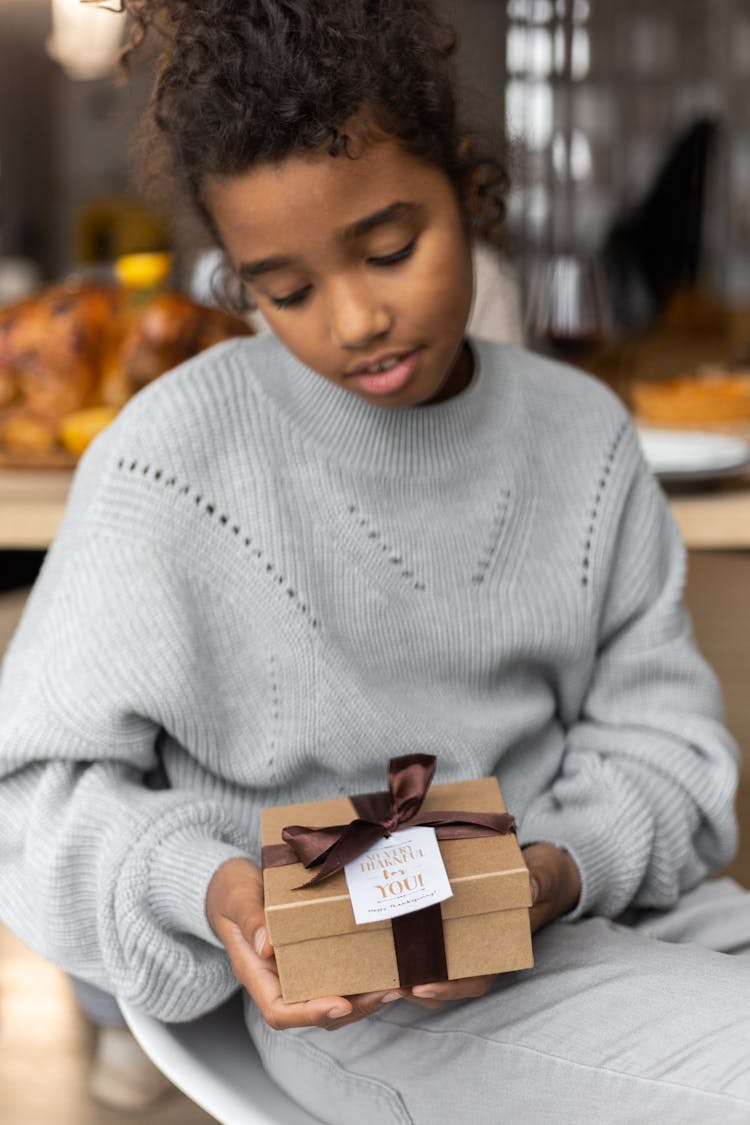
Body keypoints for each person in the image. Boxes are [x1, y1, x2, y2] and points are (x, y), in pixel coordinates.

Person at [0, 2, 748, 1122]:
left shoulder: (584, 438)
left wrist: (551, 874)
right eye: (285, 289)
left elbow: (667, 746)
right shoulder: (172, 463)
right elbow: (34, 792)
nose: (354, 318)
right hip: (382, 1002)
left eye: (391, 247)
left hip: (626, 924)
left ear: (467, 188)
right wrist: (213, 892)